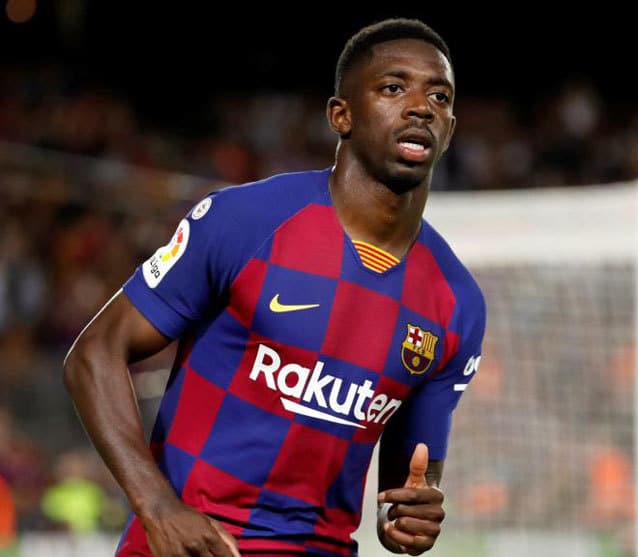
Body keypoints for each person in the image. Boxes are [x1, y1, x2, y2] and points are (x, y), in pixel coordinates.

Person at [63, 18, 486, 557]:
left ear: (450, 128)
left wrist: (409, 517)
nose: (421, 107)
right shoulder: (247, 221)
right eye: (393, 88)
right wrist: (158, 506)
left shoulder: (457, 303)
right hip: (191, 544)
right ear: (341, 115)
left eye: (439, 96)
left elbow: (406, 489)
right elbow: (95, 352)